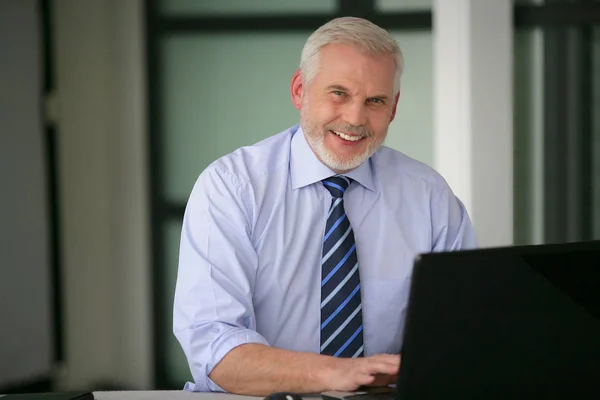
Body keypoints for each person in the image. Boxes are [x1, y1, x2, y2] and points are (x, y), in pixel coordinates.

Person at [173, 16, 477, 396]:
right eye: (338, 93)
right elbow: (214, 350)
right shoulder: (232, 189)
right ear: (300, 90)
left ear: (394, 107)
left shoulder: (430, 197)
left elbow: (463, 333)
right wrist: (336, 374)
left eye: (375, 101)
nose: (355, 118)